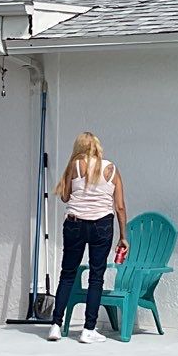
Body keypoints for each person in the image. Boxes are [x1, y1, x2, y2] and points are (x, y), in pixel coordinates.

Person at [47, 131, 128, 344]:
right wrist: (123, 236)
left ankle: (55, 325)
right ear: (97, 147)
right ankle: (88, 329)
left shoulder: (74, 165)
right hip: (102, 224)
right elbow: (119, 206)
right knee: (96, 276)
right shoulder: (111, 169)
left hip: (74, 223)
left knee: (67, 274)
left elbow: (65, 197)